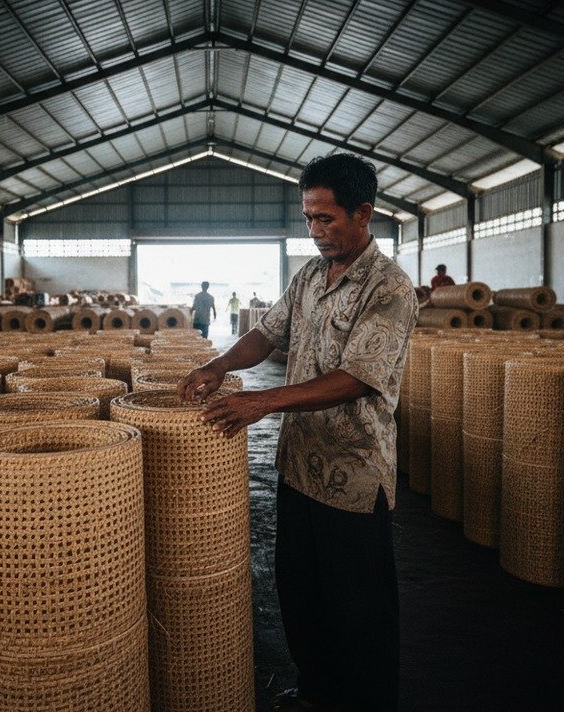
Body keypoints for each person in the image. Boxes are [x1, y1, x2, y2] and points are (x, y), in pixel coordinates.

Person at [178, 153, 418, 712]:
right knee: (302, 595)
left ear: (364, 213)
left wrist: (262, 400)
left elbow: (358, 378)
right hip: (299, 466)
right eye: (308, 218)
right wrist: (219, 367)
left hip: (353, 477)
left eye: (326, 219)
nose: (315, 231)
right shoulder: (310, 275)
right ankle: (318, 691)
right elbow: (266, 334)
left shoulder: (389, 288)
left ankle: (364, 701)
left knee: (359, 610)